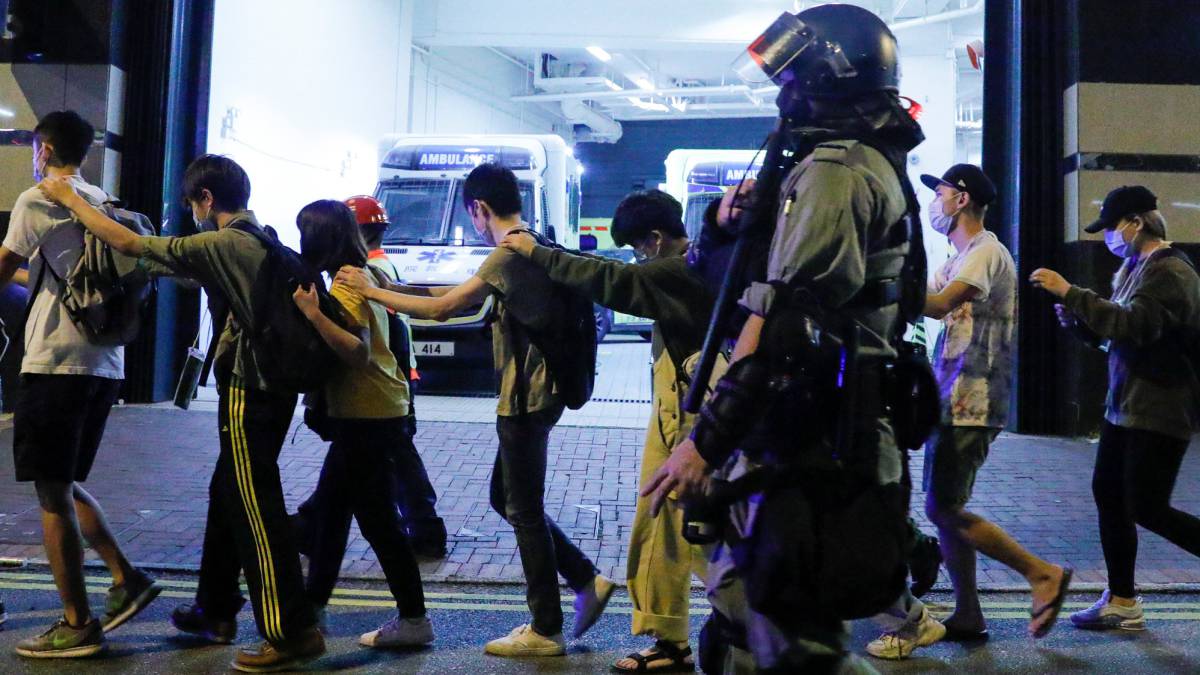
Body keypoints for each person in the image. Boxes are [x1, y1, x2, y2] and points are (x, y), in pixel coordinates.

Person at [641, 6, 937, 670]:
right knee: (751, 613)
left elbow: (787, 326)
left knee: (783, 627)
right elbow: (742, 287)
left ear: (829, 79)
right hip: (804, 425)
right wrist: (724, 226)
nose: (785, 94)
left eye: (794, 78)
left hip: (808, 434)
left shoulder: (835, 172)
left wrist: (705, 442)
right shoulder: (839, 163)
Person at [38, 155, 324, 672]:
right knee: (227, 493)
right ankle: (215, 609)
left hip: (249, 391)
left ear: (206, 200)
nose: (191, 212)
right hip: (271, 390)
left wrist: (70, 199)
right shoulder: (262, 240)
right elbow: (167, 265)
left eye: (192, 202)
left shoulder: (223, 244)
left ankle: (290, 632)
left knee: (255, 508)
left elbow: (131, 244)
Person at [336, 162, 613, 657]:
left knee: (523, 509)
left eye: (472, 217)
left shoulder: (509, 254)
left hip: (526, 398)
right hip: (539, 394)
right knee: (505, 497)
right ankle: (585, 579)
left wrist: (371, 292)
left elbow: (444, 309)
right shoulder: (529, 243)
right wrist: (386, 286)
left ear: (479, 208)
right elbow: (452, 296)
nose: (475, 226)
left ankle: (546, 627)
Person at [500, 189, 714, 672]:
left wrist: (537, 253)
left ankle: (757, 629)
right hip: (672, 414)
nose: (637, 257)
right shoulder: (688, 262)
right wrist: (549, 249)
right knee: (657, 527)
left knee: (705, 534)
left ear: (655, 238)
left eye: (638, 247)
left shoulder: (679, 270)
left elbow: (609, 279)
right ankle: (670, 642)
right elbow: (605, 267)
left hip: (695, 423)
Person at [868, 164, 1072, 656]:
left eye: (939, 193)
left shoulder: (985, 252)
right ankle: (968, 613)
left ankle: (1041, 573)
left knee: (943, 507)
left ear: (961, 199)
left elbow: (938, 304)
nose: (934, 202)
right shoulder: (959, 255)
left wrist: (879, 282)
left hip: (974, 399)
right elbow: (926, 293)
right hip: (952, 395)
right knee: (945, 509)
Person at [0, 110, 161, 658]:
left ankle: (77, 622)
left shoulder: (37, 199)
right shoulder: (101, 201)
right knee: (61, 481)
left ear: (43, 150)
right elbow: (54, 274)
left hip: (55, 363)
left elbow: (3, 267)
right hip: (103, 363)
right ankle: (126, 578)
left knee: (51, 493)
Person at [1031, 185, 1200, 632]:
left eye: (1112, 227)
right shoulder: (1136, 267)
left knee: (1147, 505)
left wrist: (1071, 293)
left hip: (1161, 406)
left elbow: (1134, 325)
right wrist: (1083, 328)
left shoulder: (1171, 272)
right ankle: (1122, 599)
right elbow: (1122, 338)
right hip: (1124, 406)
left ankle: (1123, 599)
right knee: (1109, 494)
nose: (1109, 236)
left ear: (1136, 223)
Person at [290, 199, 434, 648]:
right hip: (374, 410)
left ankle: (413, 619)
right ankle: (312, 609)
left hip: (367, 415)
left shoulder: (347, 282)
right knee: (336, 516)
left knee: (374, 522)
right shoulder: (362, 272)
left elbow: (357, 350)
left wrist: (313, 314)